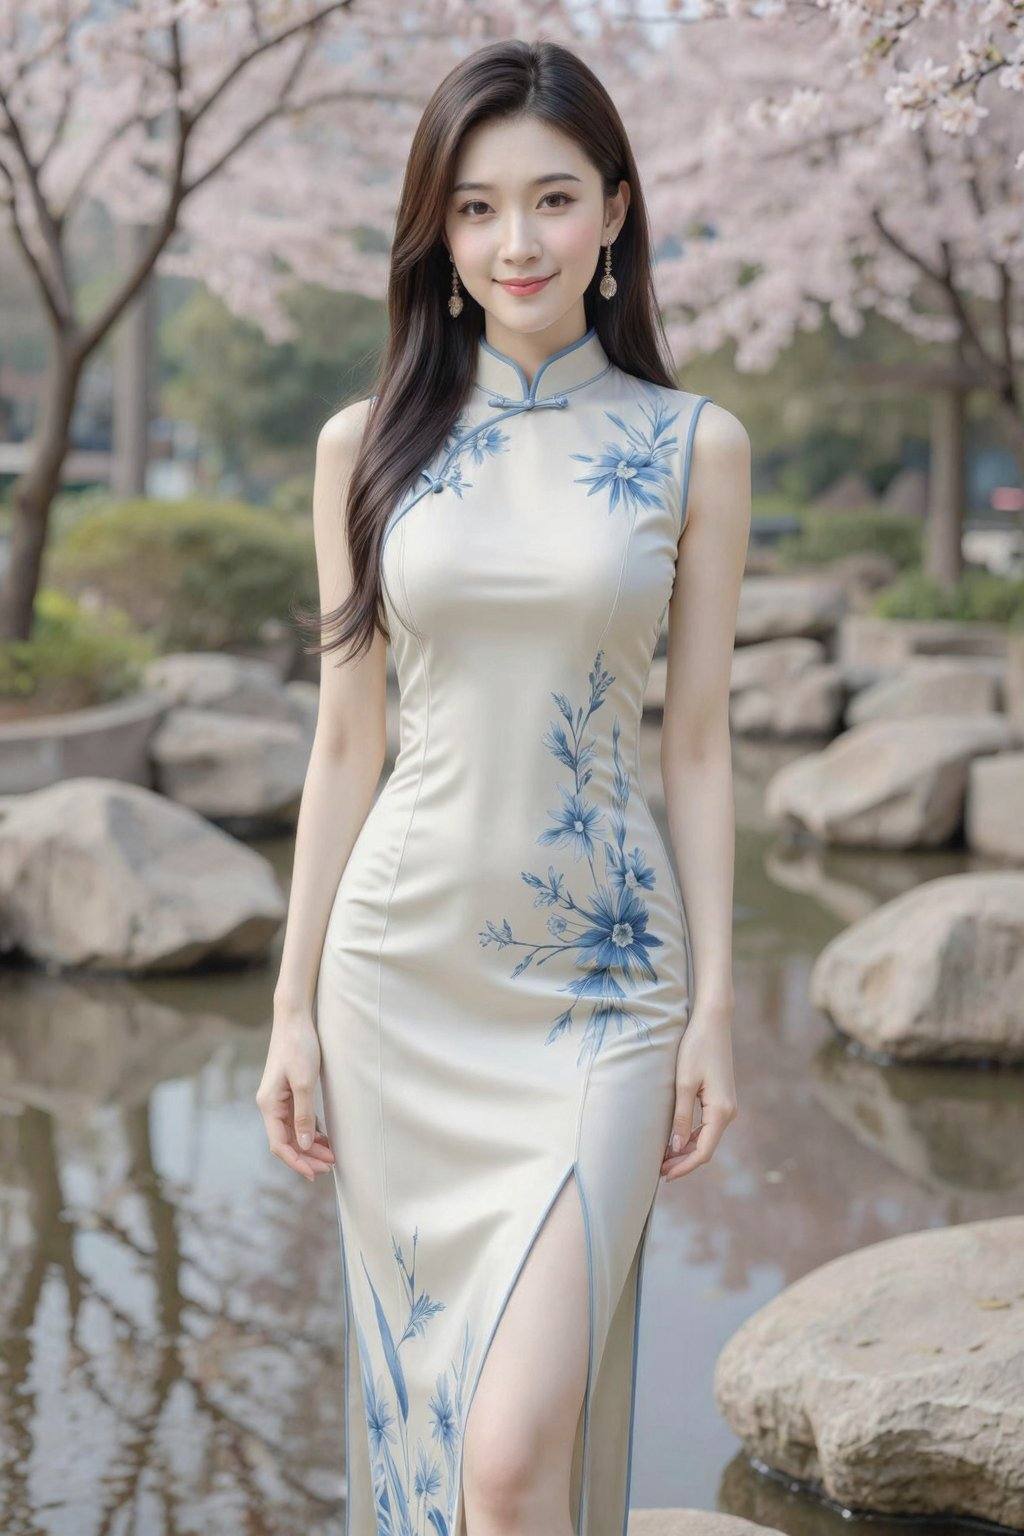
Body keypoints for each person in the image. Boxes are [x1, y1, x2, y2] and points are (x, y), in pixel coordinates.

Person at [257, 36, 749, 1536]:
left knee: (518, 1448)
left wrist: (719, 1005)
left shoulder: (692, 447)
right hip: (398, 979)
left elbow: (701, 744)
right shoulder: (367, 447)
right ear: (437, 232)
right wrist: (289, 1006)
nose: (514, 242)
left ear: (614, 212)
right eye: (474, 209)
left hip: (605, 987)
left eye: (550, 200)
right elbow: (348, 743)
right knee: (434, 1424)